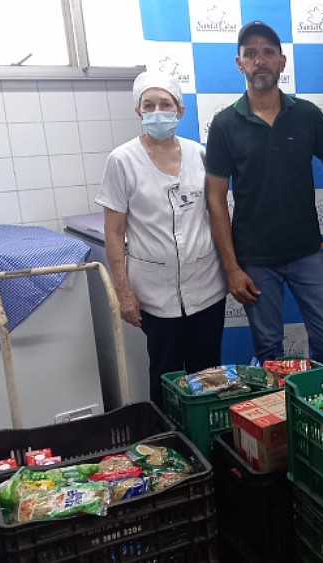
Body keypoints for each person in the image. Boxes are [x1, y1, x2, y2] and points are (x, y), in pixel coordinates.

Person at [205, 21, 323, 365]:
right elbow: (215, 200)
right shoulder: (224, 125)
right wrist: (232, 267)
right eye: (250, 53)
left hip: (308, 252)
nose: (259, 60)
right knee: (269, 353)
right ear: (239, 63)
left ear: (282, 61)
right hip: (254, 260)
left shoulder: (308, 115)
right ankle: (281, 417)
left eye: (268, 52)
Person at [96, 71, 227, 406]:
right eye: (149, 105)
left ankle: (208, 444)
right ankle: (169, 445)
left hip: (207, 288)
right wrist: (124, 293)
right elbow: (114, 232)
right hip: (155, 294)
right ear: (139, 111)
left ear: (180, 111)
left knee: (209, 375)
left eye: (165, 104)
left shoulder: (200, 154)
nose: (157, 111)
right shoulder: (122, 161)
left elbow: (219, 214)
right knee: (165, 375)